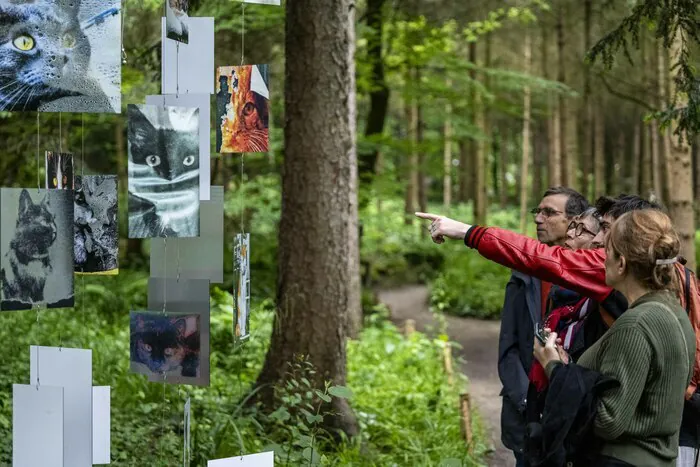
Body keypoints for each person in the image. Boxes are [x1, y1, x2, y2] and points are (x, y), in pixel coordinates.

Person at [416, 194, 700, 466]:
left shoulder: (635, 317)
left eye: (606, 230)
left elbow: (541, 258)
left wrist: (467, 232)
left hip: (633, 449)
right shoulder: (669, 297)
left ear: (627, 252)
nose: (599, 240)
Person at [534, 210, 696, 466]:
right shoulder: (674, 313)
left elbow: (608, 419)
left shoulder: (636, 324)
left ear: (621, 263)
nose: (601, 258)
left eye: (606, 251)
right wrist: (569, 368)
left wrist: (553, 367)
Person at [498, 187, 588, 466]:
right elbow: (508, 344)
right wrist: (526, 400)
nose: (539, 219)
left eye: (549, 213)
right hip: (525, 408)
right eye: (538, 211)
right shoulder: (524, 272)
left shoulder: (590, 275)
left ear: (574, 222)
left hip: (571, 409)